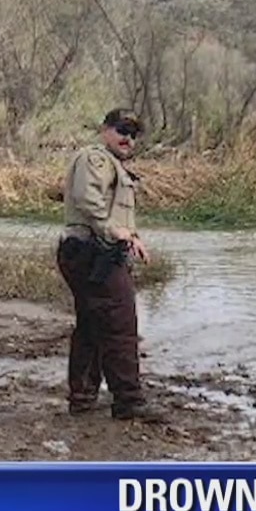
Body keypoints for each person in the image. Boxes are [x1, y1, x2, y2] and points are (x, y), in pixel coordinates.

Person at [56, 107, 161, 421]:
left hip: (90, 250)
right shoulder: (96, 159)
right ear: (105, 129)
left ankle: (83, 397)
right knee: (119, 325)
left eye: (132, 133)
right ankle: (128, 400)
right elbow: (88, 198)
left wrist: (132, 237)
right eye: (121, 130)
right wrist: (112, 229)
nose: (127, 138)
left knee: (92, 325)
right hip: (92, 252)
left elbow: (115, 213)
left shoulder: (113, 164)